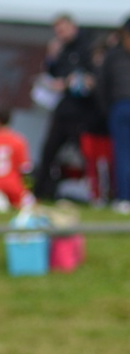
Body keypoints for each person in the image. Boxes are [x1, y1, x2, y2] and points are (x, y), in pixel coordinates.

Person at [33, 14, 102, 202]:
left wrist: (75, 80)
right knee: (48, 151)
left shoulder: (87, 47)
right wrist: (51, 58)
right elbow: (53, 74)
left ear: (72, 26)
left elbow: (93, 78)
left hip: (82, 111)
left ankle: (95, 193)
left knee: (85, 154)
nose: (60, 35)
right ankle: (40, 192)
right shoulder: (61, 49)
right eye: (57, 32)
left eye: (63, 30)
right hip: (63, 109)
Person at [96, 17, 130, 213]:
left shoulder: (113, 56)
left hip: (120, 106)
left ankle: (124, 198)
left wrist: (107, 110)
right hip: (120, 105)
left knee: (123, 155)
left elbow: (102, 86)